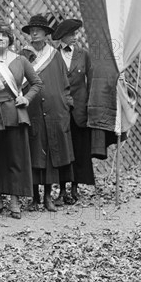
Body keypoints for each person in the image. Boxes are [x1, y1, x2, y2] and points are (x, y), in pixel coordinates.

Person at [0, 22, 43, 219]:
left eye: (4, 35)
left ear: (10, 39)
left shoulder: (20, 60)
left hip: (16, 114)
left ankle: (15, 199)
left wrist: (26, 98)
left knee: (16, 157)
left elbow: (36, 83)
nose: (0, 38)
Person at [19, 13, 75, 212]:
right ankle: (34, 197)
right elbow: (17, 81)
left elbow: (64, 83)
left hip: (53, 111)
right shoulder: (23, 56)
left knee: (51, 153)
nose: (34, 34)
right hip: (31, 110)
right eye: (31, 31)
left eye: (38, 31)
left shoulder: (55, 55)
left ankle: (48, 197)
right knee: (34, 153)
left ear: (45, 34)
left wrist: (65, 106)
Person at [52, 18, 94, 204]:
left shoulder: (83, 54)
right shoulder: (52, 55)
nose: (75, 37)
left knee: (79, 149)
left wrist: (90, 106)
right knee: (63, 150)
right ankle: (62, 190)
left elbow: (91, 81)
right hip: (60, 109)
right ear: (62, 37)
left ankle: (75, 188)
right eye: (71, 34)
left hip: (79, 111)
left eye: (76, 34)